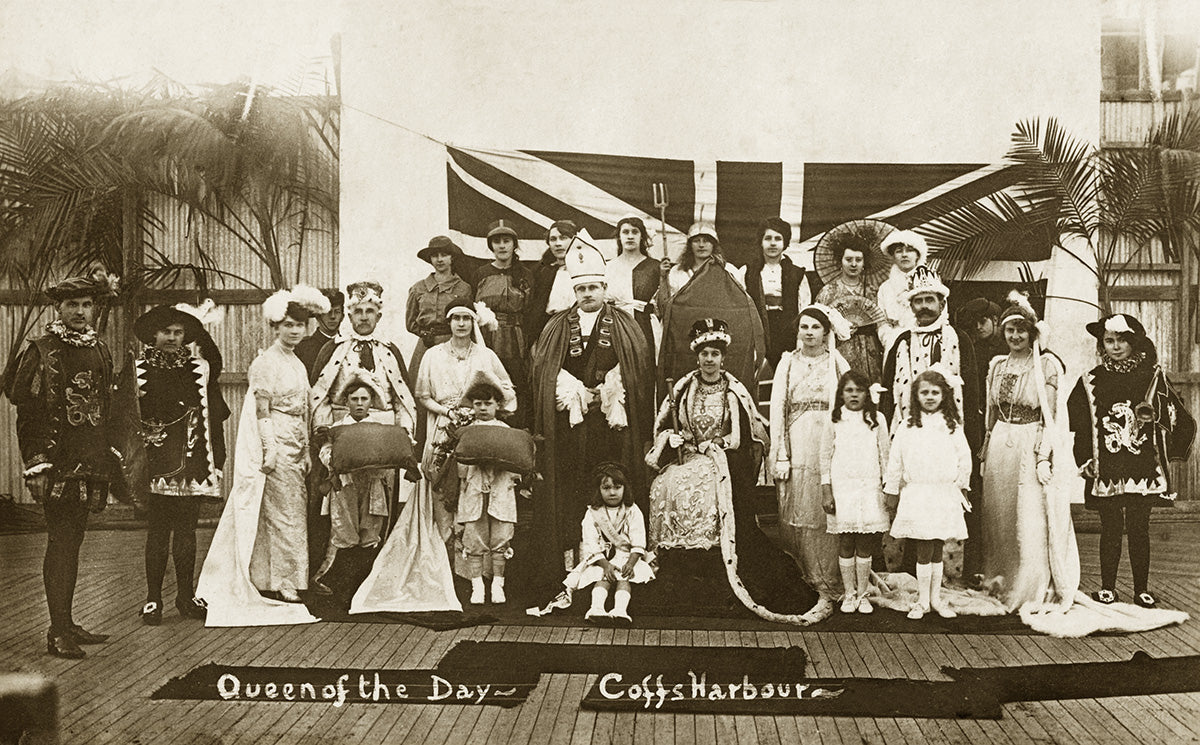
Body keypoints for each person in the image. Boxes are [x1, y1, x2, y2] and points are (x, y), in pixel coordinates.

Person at [646, 318, 818, 625]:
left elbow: (740, 438)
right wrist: (672, 440)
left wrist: (714, 445)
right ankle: (681, 565)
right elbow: (664, 427)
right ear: (696, 356)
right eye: (704, 354)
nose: (709, 360)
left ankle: (717, 563)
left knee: (713, 490)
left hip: (721, 459)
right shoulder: (684, 387)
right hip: (687, 457)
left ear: (723, 357)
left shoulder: (733, 391)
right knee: (666, 484)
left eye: (715, 354)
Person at [195, 286, 328, 626]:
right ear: (275, 326)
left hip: (296, 439)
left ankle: (280, 576)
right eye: (288, 325)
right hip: (276, 438)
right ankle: (284, 581)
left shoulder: (296, 362)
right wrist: (269, 450)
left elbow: (305, 409)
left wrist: (307, 451)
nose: (295, 330)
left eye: (300, 325)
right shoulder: (264, 362)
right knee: (282, 512)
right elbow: (262, 410)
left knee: (292, 508)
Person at [8, 269, 121, 658]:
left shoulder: (100, 348)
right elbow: (27, 413)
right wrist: (36, 465)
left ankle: (67, 622)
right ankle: (58, 631)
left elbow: (106, 408)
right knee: (60, 542)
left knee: (74, 542)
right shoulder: (41, 350)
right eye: (72, 304)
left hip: (89, 463)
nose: (80, 311)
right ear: (59, 307)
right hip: (56, 466)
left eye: (87, 304)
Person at [530, 240, 653, 594]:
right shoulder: (555, 326)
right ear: (574, 290)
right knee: (572, 488)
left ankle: (621, 560)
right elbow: (544, 370)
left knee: (612, 483)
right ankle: (576, 559)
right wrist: (574, 392)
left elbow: (638, 368)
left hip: (610, 427)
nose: (587, 294)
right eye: (581, 288)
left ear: (604, 288)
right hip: (572, 425)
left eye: (593, 288)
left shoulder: (626, 324)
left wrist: (610, 389)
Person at [1067, 313, 1196, 609]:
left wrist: (1160, 423)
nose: (1114, 346)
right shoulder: (1090, 381)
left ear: (1133, 342)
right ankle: (1107, 587)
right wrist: (1084, 459)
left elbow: (1176, 417)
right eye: (1109, 341)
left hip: (1142, 466)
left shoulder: (1152, 377)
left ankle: (1141, 589)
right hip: (1108, 466)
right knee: (1110, 526)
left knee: (1139, 526)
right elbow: (1081, 428)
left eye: (1121, 340)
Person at [977, 293, 1081, 612]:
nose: (1016, 336)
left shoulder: (1047, 365)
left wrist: (1043, 454)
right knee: (999, 514)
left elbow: (1050, 414)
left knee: (1029, 515)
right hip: (1000, 444)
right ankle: (1001, 577)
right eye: (1010, 330)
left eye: (1022, 330)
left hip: (1030, 442)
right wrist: (985, 448)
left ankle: (1030, 582)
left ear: (1032, 332)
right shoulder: (997, 365)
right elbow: (991, 413)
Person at [879, 266, 982, 577]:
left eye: (929, 300)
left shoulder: (959, 339)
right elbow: (886, 394)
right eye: (918, 301)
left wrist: (972, 443)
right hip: (907, 435)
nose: (923, 306)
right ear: (911, 306)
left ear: (941, 303)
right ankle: (905, 573)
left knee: (943, 507)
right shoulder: (900, 342)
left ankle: (948, 576)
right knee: (909, 503)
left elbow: (972, 392)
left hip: (946, 437)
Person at [131, 304, 230, 625]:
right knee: (158, 532)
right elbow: (125, 420)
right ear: (153, 335)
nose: (172, 338)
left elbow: (213, 416)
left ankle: (185, 597)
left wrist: (218, 456)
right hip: (154, 464)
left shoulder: (200, 368)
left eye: (179, 333)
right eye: (166, 332)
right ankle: (153, 599)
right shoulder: (137, 369)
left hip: (192, 462)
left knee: (187, 531)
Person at [770, 304, 852, 622]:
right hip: (797, 440)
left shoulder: (836, 363)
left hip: (828, 441)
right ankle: (801, 576)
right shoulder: (787, 363)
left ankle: (829, 579)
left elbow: (849, 403)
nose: (808, 332)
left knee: (823, 509)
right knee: (796, 507)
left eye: (815, 327)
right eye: (804, 326)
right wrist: (781, 453)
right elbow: (778, 409)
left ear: (826, 332)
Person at [414, 300, 516, 541]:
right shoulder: (433, 355)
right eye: (456, 318)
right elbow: (423, 396)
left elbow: (506, 388)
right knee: (443, 480)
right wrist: (448, 412)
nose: (461, 323)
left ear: (474, 322)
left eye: (466, 318)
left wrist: (482, 407)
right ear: (448, 322)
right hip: (443, 424)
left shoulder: (486, 355)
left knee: (473, 484)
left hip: (477, 428)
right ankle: (444, 541)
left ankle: (471, 549)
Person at [884, 369, 973, 620]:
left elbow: (963, 458)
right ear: (916, 396)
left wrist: (962, 486)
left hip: (943, 492)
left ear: (944, 395)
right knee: (924, 545)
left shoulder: (952, 426)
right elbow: (895, 460)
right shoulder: (907, 425)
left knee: (937, 545)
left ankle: (935, 598)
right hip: (919, 492)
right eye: (924, 392)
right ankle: (922, 600)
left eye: (935, 392)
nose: (930, 397)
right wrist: (892, 490)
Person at [657, 222, 766, 396]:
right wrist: (663, 278)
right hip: (685, 337)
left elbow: (739, 306)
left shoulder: (729, 270)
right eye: (696, 241)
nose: (701, 245)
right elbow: (667, 308)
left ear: (714, 244)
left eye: (706, 240)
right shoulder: (677, 272)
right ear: (689, 245)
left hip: (719, 338)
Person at [311, 371, 396, 593]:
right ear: (347, 402)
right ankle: (342, 586)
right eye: (354, 399)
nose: (359, 404)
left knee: (370, 529)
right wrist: (337, 460)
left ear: (371, 402)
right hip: (345, 485)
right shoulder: (337, 428)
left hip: (372, 486)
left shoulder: (380, 429)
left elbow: (390, 456)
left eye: (364, 399)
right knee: (345, 529)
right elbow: (325, 453)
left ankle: (364, 586)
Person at [820, 370, 891, 614]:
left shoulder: (877, 419)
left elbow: (885, 455)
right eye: (848, 390)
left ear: (866, 394)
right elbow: (825, 457)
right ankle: (849, 593)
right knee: (846, 540)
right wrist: (826, 490)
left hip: (869, 487)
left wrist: (887, 488)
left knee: (865, 542)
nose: (853, 395)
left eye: (858, 390)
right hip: (843, 489)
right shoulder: (834, 420)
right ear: (841, 393)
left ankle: (863, 594)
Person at [456, 380, 526, 605]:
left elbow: (517, 464)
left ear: (498, 405)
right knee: (474, 536)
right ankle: (477, 586)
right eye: (478, 404)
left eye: (488, 403)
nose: (483, 408)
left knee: (501, 536)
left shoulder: (506, 431)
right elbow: (460, 469)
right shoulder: (466, 431)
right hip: (474, 488)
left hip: (501, 487)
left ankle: (498, 584)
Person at [564, 462, 655, 625]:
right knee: (603, 577)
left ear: (625, 488)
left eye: (617, 487)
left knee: (624, 578)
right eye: (606, 488)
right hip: (601, 558)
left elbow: (639, 539)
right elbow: (590, 542)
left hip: (627, 556)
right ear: (598, 490)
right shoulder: (592, 513)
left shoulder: (632, 510)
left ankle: (620, 610)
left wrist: (631, 563)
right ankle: (596, 608)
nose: (612, 492)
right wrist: (605, 565)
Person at [473, 219, 534, 425]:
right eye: (497, 241)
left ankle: (518, 427)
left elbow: (531, 308)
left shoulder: (525, 274)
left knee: (518, 381)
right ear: (491, 245)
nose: (502, 245)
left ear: (514, 244)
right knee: (490, 379)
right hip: (488, 337)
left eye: (506, 240)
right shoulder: (481, 273)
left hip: (517, 337)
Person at [745, 218, 818, 367]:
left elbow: (804, 306)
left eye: (778, 239)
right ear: (761, 241)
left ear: (785, 243)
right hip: (758, 329)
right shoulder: (748, 271)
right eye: (768, 238)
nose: (772, 243)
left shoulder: (796, 273)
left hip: (787, 330)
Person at [814, 229, 885, 381]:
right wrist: (840, 328)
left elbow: (881, 322)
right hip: (840, 349)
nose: (853, 264)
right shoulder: (828, 292)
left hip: (870, 350)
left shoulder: (873, 292)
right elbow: (819, 326)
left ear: (864, 262)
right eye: (848, 259)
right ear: (840, 261)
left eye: (858, 260)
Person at [405, 235, 474, 384]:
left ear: (452, 258)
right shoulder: (418, 288)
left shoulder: (463, 288)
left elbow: (468, 320)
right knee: (421, 386)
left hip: (453, 343)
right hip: (426, 344)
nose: (439, 259)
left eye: (444, 255)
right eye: (435, 256)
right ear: (430, 259)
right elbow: (410, 323)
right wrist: (424, 333)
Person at [604, 216, 661, 351]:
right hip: (615, 323)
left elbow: (662, 302)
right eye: (625, 232)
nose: (630, 236)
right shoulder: (608, 266)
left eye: (635, 232)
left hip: (644, 325)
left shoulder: (654, 266)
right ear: (619, 236)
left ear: (642, 236)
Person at [527, 220, 580, 346]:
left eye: (563, 238)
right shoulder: (543, 272)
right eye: (553, 239)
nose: (558, 243)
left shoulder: (587, 268)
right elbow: (537, 311)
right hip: (550, 329)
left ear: (574, 240)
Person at [876, 229, 926, 352]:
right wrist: (892, 342)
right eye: (899, 251)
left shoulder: (930, 282)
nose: (904, 255)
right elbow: (881, 322)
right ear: (893, 256)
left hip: (925, 342)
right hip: (895, 344)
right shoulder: (885, 288)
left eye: (909, 250)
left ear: (918, 255)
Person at [295, 289, 345, 375]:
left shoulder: (347, 346)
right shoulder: (301, 348)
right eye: (327, 312)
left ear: (342, 316)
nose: (333, 316)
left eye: (337, 312)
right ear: (318, 316)